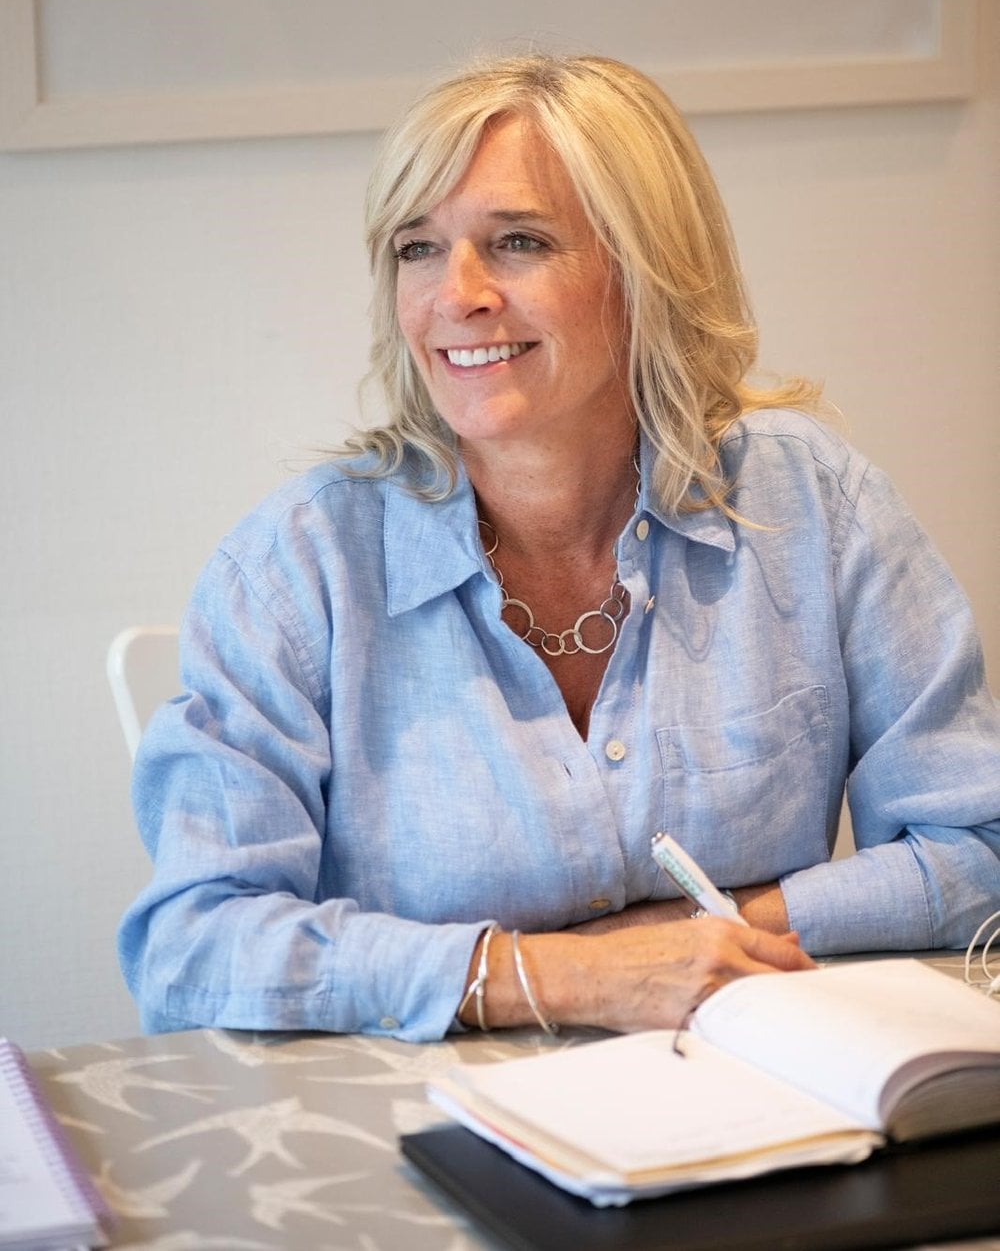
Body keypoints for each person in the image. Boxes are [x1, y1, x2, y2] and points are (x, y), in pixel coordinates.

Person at [118, 54, 1000, 1041]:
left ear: (644, 270)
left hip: (745, 1101)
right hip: (415, 1142)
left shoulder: (812, 506)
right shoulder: (297, 568)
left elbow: (980, 845)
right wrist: (566, 977)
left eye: (517, 242)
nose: (457, 295)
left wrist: (723, 931)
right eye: (417, 248)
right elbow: (191, 949)